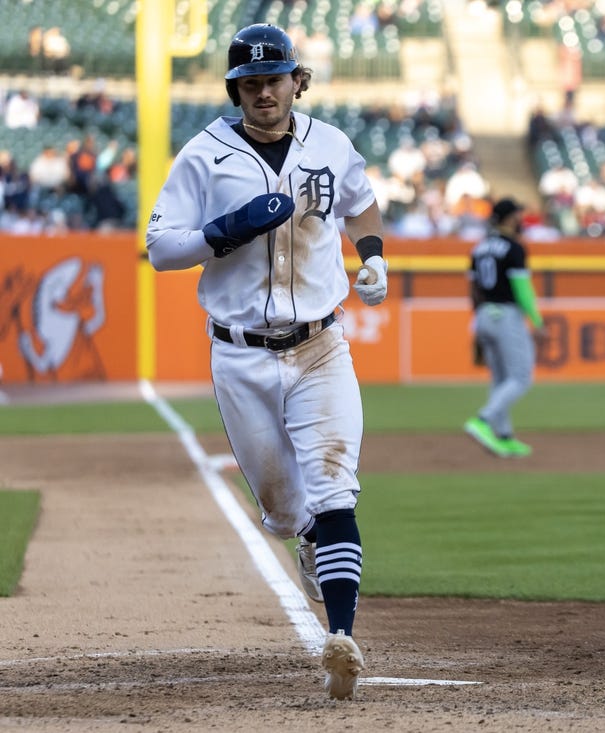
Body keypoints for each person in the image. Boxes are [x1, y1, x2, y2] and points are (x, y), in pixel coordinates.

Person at [145, 23, 389, 700]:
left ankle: (340, 637)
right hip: (241, 356)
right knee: (283, 512)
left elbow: (363, 204)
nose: (263, 92)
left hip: (320, 345)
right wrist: (229, 228)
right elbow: (161, 248)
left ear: (296, 82)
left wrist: (373, 258)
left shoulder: (331, 144)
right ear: (236, 91)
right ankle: (307, 536)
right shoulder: (205, 154)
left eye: (274, 79)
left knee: (336, 485)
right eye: (249, 83)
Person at [464, 198, 547, 458]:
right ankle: (483, 420)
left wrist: (478, 321)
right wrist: (537, 321)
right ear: (510, 218)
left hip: (484, 314)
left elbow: (473, 289)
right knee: (521, 377)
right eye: (518, 215)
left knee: (500, 379)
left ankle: (504, 436)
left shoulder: (479, 248)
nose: (520, 220)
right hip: (506, 315)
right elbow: (522, 290)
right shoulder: (513, 247)